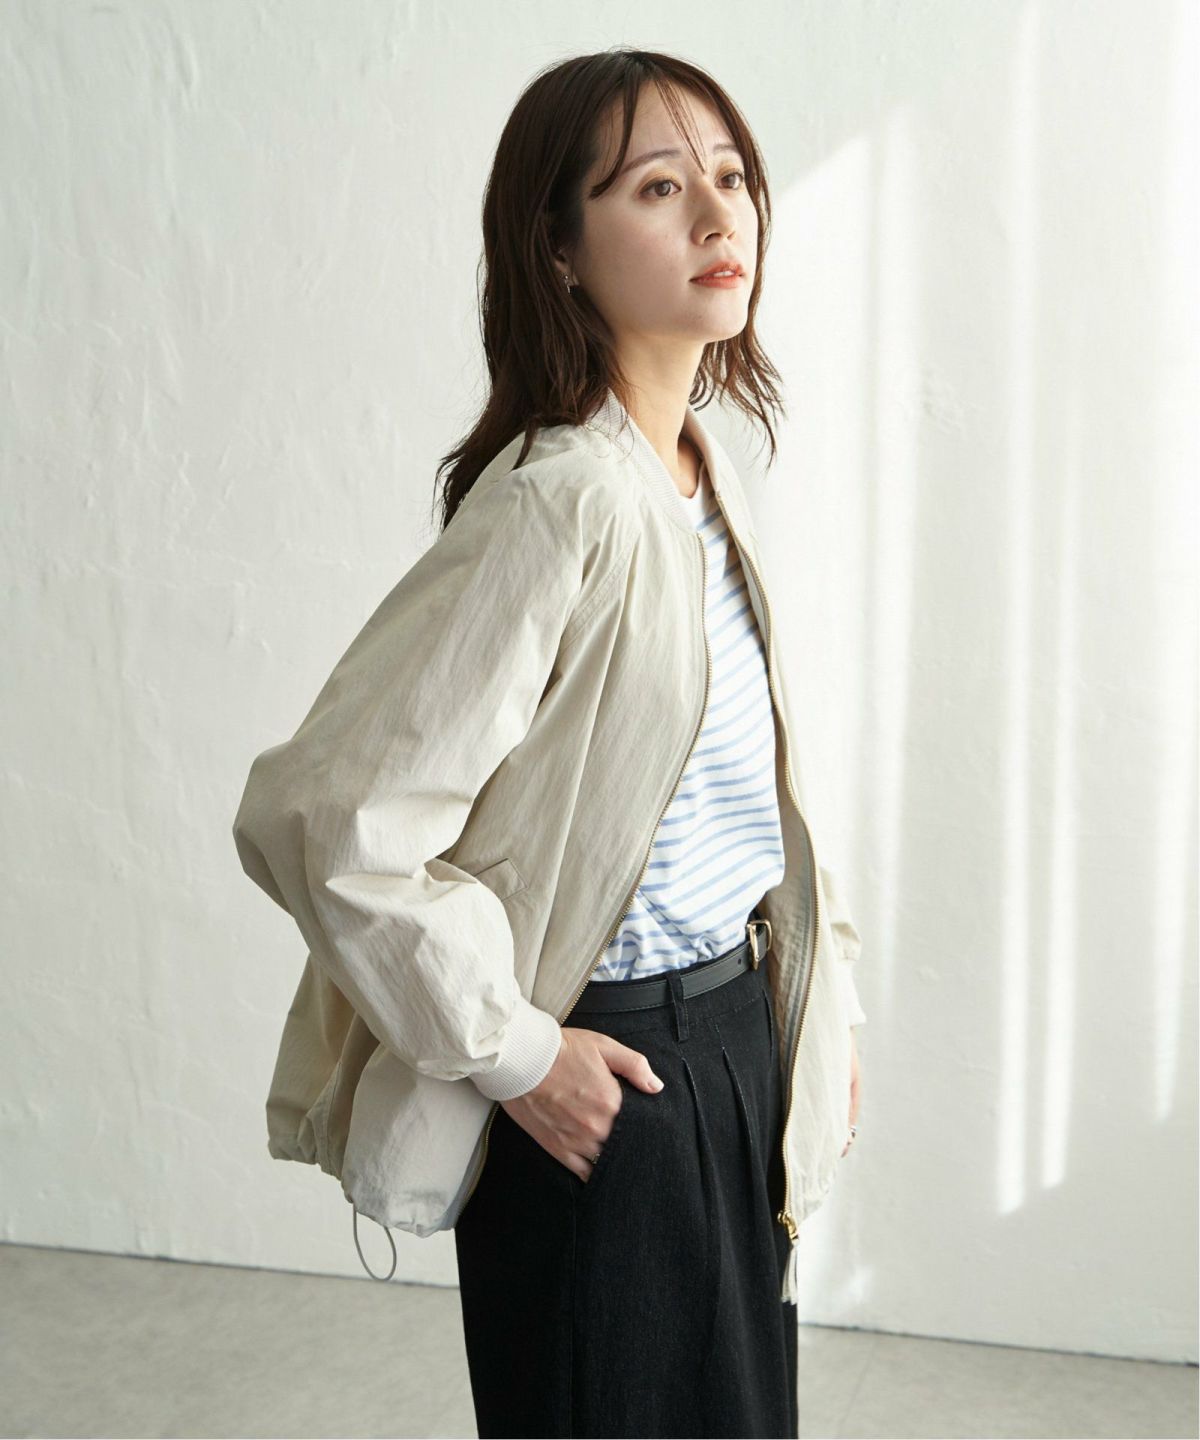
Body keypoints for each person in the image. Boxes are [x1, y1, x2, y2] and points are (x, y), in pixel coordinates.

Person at [232, 46, 865, 1440]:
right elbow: (326, 819)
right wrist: (519, 1054)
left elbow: (747, 797)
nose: (720, 213)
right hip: (616, 1080)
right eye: (657, 187)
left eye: (732, 175)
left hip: (735, 1046)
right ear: (560, 251)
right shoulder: (560, 500)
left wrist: (821, 1015)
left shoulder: (704, 473)